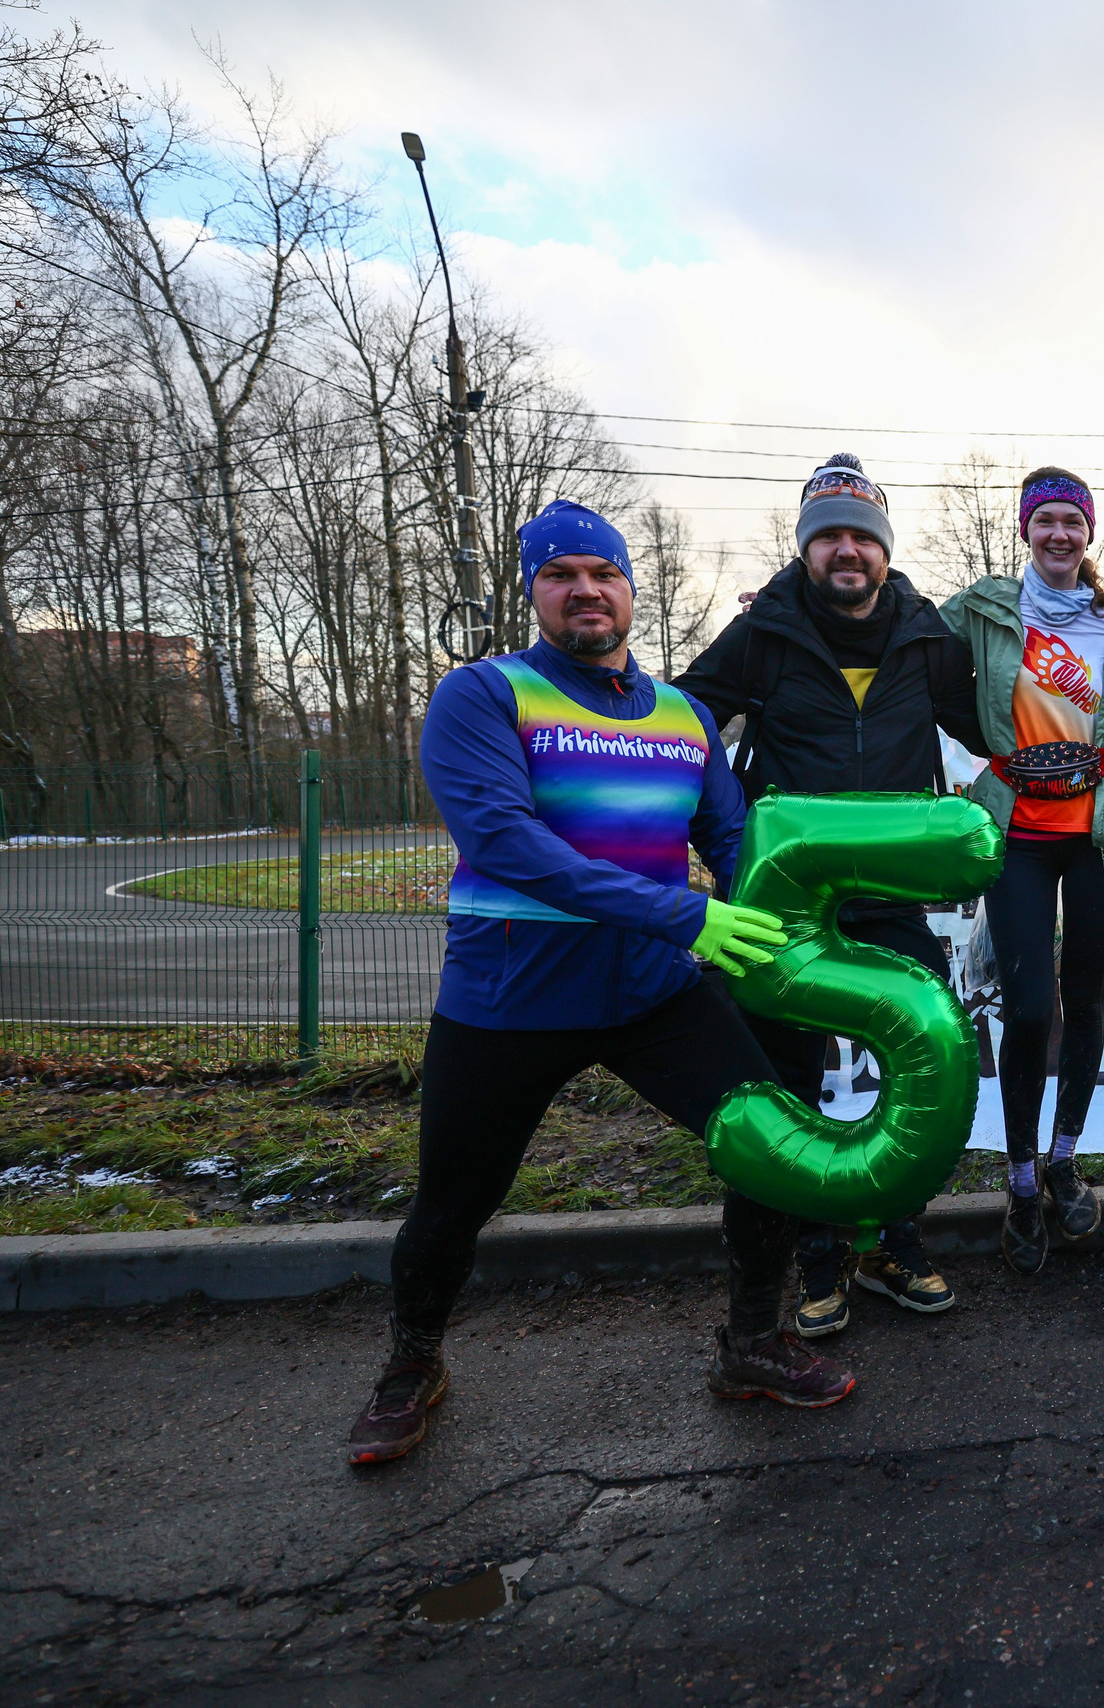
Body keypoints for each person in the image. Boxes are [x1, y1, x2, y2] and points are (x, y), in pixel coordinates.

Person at [346, 500, 853, 1465]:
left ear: (630, 589)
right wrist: (685, 914)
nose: (586, 590)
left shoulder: (683, 714)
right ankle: (412, 1365)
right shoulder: (482, 695)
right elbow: (507, 842)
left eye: (603, 573)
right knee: (452, 1204)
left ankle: (752, 1341)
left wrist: (784, 916)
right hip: (510, 1002)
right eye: (561, 574)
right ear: (533, 591)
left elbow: (733, 840)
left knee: (773, 1149)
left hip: (655, 995)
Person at [677, 454, 984, 1335]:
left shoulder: (927, 636)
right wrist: (727, 832)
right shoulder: (762, 632)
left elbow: (992, 722)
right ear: (805, 547)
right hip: (785, 908)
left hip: (889, 895)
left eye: (862, 536)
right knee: (793, 1084)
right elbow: (682, 723)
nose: (847, 551)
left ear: (885, 548)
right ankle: (820, 1255)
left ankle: (893, 1243)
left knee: (925, 1064)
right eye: (829, 537)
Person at [939, 469, 1104, 1272]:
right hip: (1018, 831)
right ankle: (1020, 1179)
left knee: (1087, 996)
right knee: (1029, 1008)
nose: (1060, 534)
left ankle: (1064, 1159)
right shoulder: (985, 610)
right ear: (1027, 530)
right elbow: (905, 645)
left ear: (1088, 533)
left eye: (1072, 522)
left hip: (1100, 831)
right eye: (1046, 521)